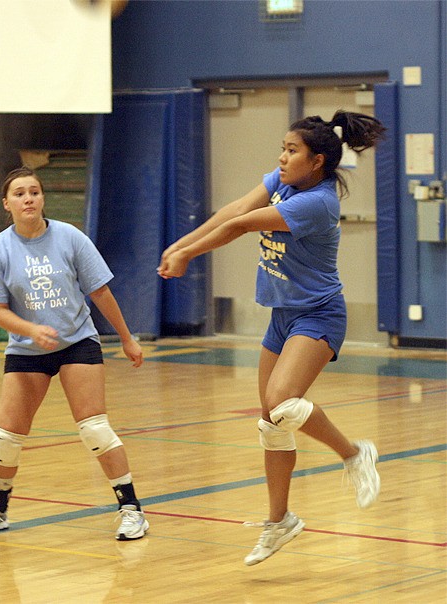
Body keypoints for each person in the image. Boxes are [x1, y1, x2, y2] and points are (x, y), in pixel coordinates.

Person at [157, 110, 386, 565]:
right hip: (283, 316)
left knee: (283, 400)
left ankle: (355, 453)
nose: (282, 157)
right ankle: (280, 519)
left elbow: (240, 227)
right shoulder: (284, 182)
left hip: (318, 315)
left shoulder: (316, 202)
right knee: (271, 422)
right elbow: (234, 211)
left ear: (316, 160)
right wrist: (180, 243)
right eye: (282, 148)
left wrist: (187, 254)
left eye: (292, 150)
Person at [0, 167, 148, 541]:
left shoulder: (69, 237)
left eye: (34, 191)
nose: (28, 198)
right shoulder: (1, 247)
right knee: (5, 439)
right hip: (28, 349)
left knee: (94, 429)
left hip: (77, 342)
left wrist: (127, 339)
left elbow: (100, 291)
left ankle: (131, 509)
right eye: (19, 194)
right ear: (7, 204)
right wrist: (31, 329)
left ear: (43, 198)